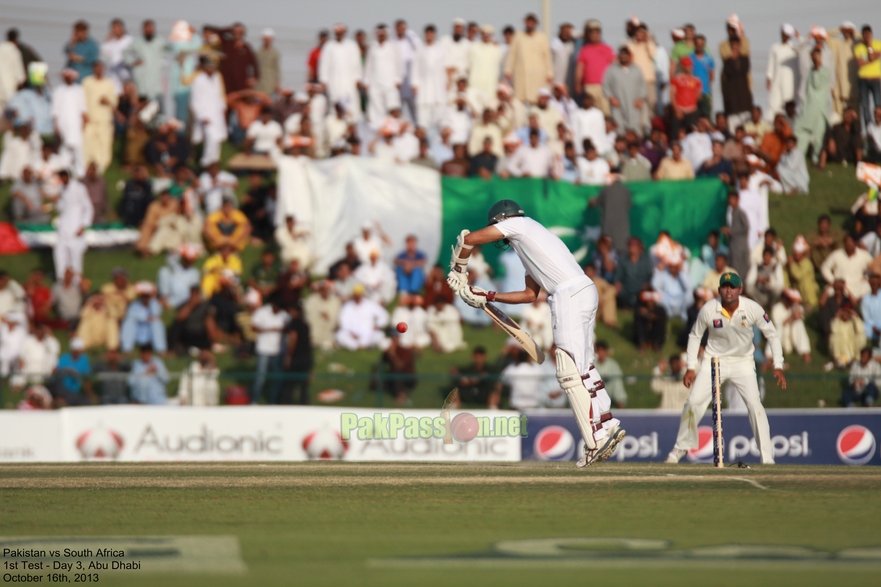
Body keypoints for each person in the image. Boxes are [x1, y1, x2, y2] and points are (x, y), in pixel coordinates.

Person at [447, 199, 625, 467]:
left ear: (502, 220)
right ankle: (606, 423)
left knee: (568, 369)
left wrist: (458, 271)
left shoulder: (518, 224)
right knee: (584, 365)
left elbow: (468, 239)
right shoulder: (530, 244)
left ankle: (595, 440)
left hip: (568, 295)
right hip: (583, 291)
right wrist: (488, 295)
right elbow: (530, 295)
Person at [666, 271, 786, 465]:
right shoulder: (708, 309)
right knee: (693, 402)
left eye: (732, 287)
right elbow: (695, 336)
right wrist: (690, 367)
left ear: (740, 289)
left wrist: (778, 365)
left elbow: (772, 334)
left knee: (755, 406)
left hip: (743, 362)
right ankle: (677, 452)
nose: (728, 290)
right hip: (714, 362)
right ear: (719, 289)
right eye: (724, 286)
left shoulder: (752, 308)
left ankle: (767, 458)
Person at [503, 13, 552, 104]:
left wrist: (550, 73)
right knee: (519, 99)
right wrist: (508, 69)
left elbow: (547, 57)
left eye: (532, 22)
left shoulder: (542, 37)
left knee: (536, 100)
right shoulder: (518, 36)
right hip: (521, 73)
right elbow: (512, 54)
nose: (530, 24)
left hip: (538, 75)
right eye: (528, 22)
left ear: (535, 23)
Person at [53, 169, 93, 279]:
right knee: (60, 255)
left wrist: (83, 225)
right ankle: (61, 280)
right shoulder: (61, 188)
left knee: (75, 258)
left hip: (76, 226)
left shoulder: (79, 188)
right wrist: (56, 201)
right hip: (63, 227)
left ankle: (76, 282)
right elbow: (62, 207)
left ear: (68, 177)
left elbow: (88, 207)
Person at [319, 24, 363, 123]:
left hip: (349, 82)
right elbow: (324, 64)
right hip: (334, 81)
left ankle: (352, 127)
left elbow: (357, 63)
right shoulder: (329, 46)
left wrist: (358, 78)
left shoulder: (352, 45)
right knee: (334, 103)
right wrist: (324, 80)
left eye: (341, 32)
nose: (339, 34)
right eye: (337, 33)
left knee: (351, 105)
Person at [795, 48, 832, 164]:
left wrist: (817, 67)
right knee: (799, 130)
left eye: (816, 56)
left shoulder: (825, 71)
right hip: (808, 108)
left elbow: (817, 84)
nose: (814, 58)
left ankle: (815, 158)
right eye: (812, 56)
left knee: (818, 138)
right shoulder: (809, 71)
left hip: (819, 110)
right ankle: (799, 157)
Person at [250, 296, 289, 404]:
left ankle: (273, 402)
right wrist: (268, 329)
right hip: (263, 350)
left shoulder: (284, 315)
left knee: (276, 379)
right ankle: (254, 401)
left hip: (277, 351)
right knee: (260, 378)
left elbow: (288, 328)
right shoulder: (262, 312)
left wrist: (281, 329)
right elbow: (253, 327)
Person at [190, 57, 228, 167]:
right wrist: (202, 116)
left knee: (217, 140)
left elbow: (219, 96)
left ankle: (215, 163)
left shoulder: (216, 78)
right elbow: (194, 101)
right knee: (210, 139)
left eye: (214, 67)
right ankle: (205, 163)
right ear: (205, 67)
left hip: (217, 114)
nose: (212, 69)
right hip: (206, 115)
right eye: (210, 67)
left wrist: (223, 109)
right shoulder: (198, 80)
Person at [574, 20, 615, 115]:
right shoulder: (584, 49)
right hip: (589, 86)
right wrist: (577, 83)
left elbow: (614, 66)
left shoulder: (607, 48)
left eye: (596, 33)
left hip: (605, 86)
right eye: (592, 33)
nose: (594, 35)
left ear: (600, 34)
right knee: (592, 112)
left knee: (606, 112)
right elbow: (580, 68)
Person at [602, 46, 646, 134]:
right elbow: (605, 85)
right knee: (619, 125)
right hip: (618, 103)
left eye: (626, 56)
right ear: (618, 57)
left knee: (635, 125)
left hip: (634, 103)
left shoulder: (637, 69)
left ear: (630, 56)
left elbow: (643, 85)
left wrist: (640, 98)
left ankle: (635, 144)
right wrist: (611, 97)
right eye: (622, 56)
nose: (624, 58)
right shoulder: (612, 69)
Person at [336, 284, 389, 350]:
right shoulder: (348, 306)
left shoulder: (369, 304)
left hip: (368, 333)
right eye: (356, 294)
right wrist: (351, 333)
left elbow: (383, 314)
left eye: (359, 294)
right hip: (352, 334)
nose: (358, 296)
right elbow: (343, 321)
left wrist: (378, 325)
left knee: (380, 335)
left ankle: (363, 346)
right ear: (353, 294)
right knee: (340, 335)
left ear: (362, 294)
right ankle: (357, 347)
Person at [821, 235, 873, 301]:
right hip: (839, 285)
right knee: (829, 290)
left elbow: (873, 268)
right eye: (846, 243)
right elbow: (825, 267)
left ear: (855, 243)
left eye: (851, 242)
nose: (849, 244)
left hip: (857, 284)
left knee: (867, 287)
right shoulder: (836, 254)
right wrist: (833, 280)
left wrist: (866, 277)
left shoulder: (864, 255)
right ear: (844, 244)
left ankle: (856, 302)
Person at [767, 24, 800, 122]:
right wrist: (769, 77)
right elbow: (771, 63)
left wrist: (798, 36)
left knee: (789, 103)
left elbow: (805, 46)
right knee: (774, 103)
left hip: (790, 80)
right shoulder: (775, 47)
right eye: (783, 33)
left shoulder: (794, 47)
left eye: (787, 34)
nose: (784, 36)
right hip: (777, 79)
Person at [771, 288, 812, 363]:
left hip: (793, 337)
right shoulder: (777, 308)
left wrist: (796, 304)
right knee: (778, 329)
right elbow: (779, 325)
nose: (789, 301)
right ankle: (771, 355)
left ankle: (805, 352)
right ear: (783, 298)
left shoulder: (794, 306)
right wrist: (791, 317)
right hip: (783, 338)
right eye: (787, 299)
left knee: (798, 323)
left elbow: (801, 314)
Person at [855, 25, 881, 132]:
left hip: (875, 78)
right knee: (865, 105)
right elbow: (860, 63)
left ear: (871, 35)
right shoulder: (858, 47)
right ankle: (869, 128)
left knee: (878, 104)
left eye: (868, 35)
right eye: (864, 35)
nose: (866, 37)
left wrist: (869, 45)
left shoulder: (878, 44)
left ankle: (879, 125)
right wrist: (871, 60)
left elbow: (872, 56)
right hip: (863, 79)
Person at [594, 341, 626, 408]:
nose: (601, 353)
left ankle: (620, 403)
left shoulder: (613, 364)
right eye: (599, 351)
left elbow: (618, 379)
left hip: (610, 390)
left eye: (602, 350)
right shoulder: (593, 364)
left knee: (617, 381)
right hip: (597, 392)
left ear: (606, 352)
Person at [256, 28, 280, 96]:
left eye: (269, 39)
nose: (267, 41)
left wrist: (277, 82)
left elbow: (277, 68)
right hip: (259, 83)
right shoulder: (258, 52)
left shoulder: (275, 53)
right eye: (265, 39)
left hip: (271, 82)